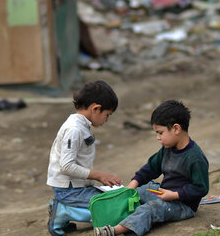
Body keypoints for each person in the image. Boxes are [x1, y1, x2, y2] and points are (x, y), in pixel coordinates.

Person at [94, 100, 209, 236]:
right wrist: (132, 186)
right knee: (138, 192)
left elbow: (201, 188)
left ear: (176, 129)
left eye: (160, 133)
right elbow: (151, 168)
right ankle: (129, 219)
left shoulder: (194, 157)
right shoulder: (167, 149)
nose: (158, 137)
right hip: (163, 193)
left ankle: (116, 230)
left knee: (152, 208)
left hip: (182, 205)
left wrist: (174, 195)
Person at [47, 80, 122, 236]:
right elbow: (66, 166)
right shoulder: (74, 129)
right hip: (68, 191)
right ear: (95, 108)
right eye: (107, 115)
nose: (106, 120)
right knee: (110, 209)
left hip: (77, 187)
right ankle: (62, 209)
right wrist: (100, 175)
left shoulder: (81, 125)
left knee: (115, 199)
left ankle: (66, 208)